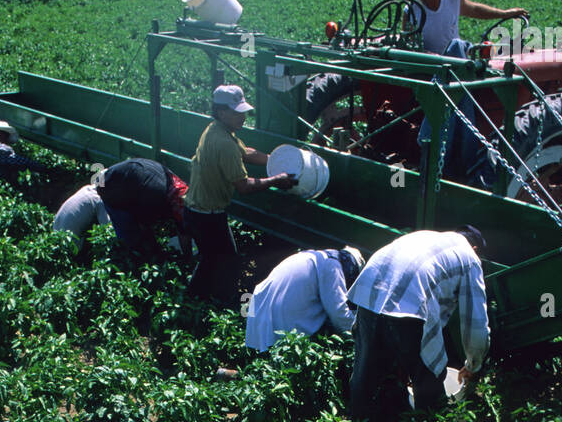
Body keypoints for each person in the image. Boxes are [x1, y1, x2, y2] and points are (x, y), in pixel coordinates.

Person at [347, 226, 490, 422]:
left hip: (368, 291)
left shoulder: (428, 236)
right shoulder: (470, 257)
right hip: (408, 304)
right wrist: (473, 364)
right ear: (474, 248)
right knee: (429, 378)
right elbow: (475, 322)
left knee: (366, 373)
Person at [183, 84, 297, 305]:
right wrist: (277, 179)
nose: (243, 116)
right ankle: (216, 303)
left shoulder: (217, 129)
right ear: (221, 112)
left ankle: (198, 301)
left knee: (213, 259)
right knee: (225, 261)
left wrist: (274, 160)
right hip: (206, 215)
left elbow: (244, 153)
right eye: (237, 112)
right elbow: (244, 187)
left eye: (243, 111)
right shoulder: (224, 143)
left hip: (197, 209)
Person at [245, 246, 364, 352]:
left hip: (257, 317)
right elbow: (339, 313)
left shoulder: (310, 256)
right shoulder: (332, 264)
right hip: (284, 326)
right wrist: (361, 341)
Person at [95, 158, 190, 256]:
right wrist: (155, 254)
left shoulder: (179, 188)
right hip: (108, 185)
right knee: (131, 238)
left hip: (131, 179)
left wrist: (188, 258)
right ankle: (129, 257)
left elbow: (183, 231)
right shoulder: (155, 198)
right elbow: (144, 227)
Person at [53, 182, 110, 247]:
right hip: (70, 246)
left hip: (56, 239)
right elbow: (107, 227)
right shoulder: (98, 198)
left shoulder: (86, 189)